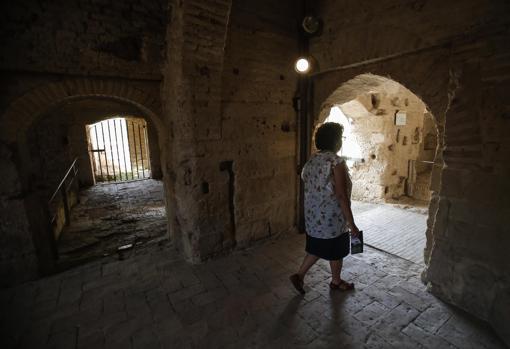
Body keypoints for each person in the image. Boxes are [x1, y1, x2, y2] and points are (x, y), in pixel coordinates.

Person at [290, 122, 360, 293]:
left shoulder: (312, 160)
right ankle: (336, 282)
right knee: (336, 251)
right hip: (332, 219)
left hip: (314, 218)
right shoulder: (336, 162)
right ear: (336, 141)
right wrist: (352, 224)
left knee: (317, 247)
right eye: (340, 138)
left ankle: (299, 275)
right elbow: (341, 195)